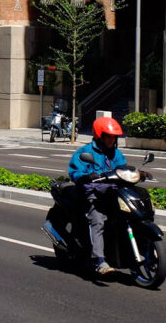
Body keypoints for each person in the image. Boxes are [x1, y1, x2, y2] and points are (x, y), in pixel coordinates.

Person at [68, 116, 126, 275]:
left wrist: (138, 173)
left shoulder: (116, 153)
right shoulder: (85, 152)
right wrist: (85, 177)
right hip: (92, 194)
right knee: (98, 220)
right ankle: (99, 260)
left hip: (110, 193)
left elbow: (122, 168)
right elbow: (75, 171)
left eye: (114, 136)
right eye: (108, 136)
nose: (111, 140)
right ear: (99, 136)